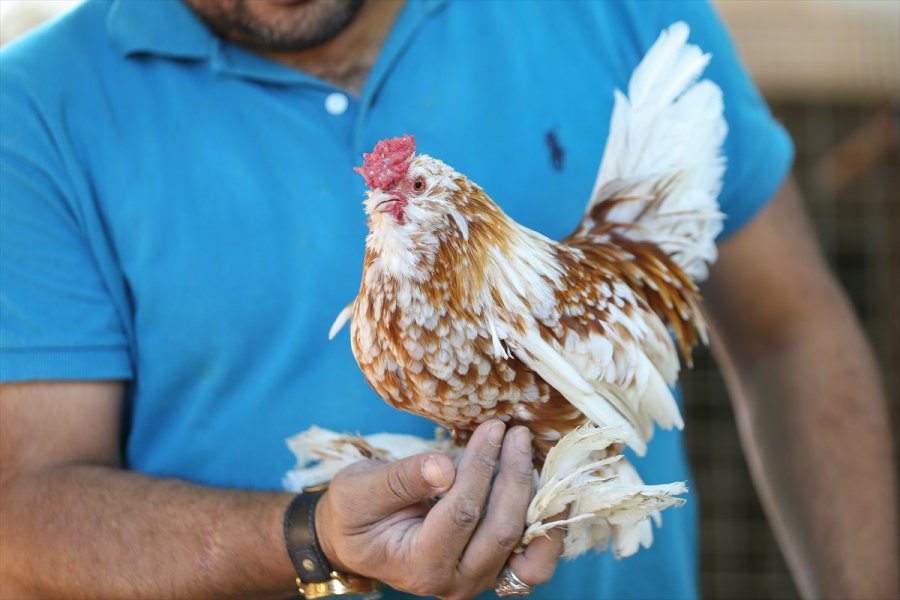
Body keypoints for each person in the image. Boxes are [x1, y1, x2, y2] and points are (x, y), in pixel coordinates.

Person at [0, 1, 896, 598]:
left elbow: (792, 334)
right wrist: (309, 537)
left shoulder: (610, 9)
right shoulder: (37, 109)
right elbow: (22, 510)